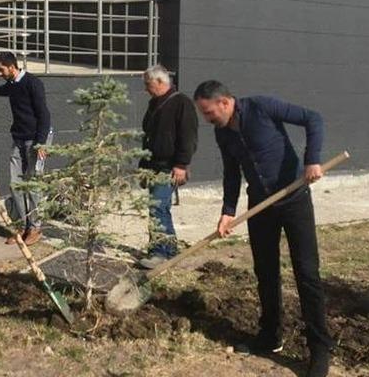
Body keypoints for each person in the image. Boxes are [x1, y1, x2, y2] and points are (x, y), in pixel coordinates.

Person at [193, 80, 333, 377]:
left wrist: (312, 160)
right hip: (260, 205)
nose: (207, 119)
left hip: (294, 199)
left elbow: (313, 119)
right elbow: (231, 174)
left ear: (224, 102)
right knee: (265, 272)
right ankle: (271, 336)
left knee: (306, 274)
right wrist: (227, 212)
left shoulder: (262, 107)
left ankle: (320, 351)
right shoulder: (222, 133)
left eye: (208, 112)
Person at [0, 52, 51, 246]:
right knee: (15, 184)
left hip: (37, 139)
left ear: (11, 67)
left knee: (33, 183)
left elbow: (44, 115)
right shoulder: (13, 85)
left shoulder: (32, 83)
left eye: (1, 69)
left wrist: (41, 143)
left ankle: (36, 228)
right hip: (19, 138)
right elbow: (0, 91)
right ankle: (24, 226)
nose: (0, 73)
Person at [136, 64, 198, 269]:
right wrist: (143, 166)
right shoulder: (154, 104)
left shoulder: (181, 103)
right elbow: (148, 138)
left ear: (161, 82)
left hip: (169, 166)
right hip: (153, 164)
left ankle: (159, 252)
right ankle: (170, 250)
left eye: (148, 84)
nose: (146, 89)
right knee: (160, 207)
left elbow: (188, 137)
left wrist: (181, 164)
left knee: (158, 207)